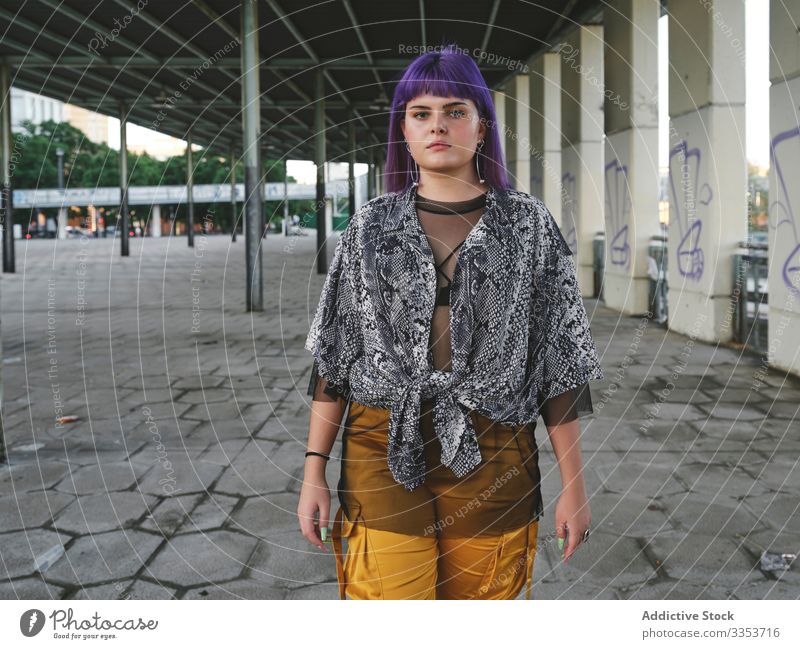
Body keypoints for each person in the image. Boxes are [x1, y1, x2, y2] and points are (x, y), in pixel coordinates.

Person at [297, 44, 603, 600]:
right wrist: (314, 468)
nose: (438, 125)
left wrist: (575, 486)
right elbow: (334, 361)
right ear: (404, 132)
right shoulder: (369, 226)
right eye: (421, 114)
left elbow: (560, 364)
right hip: (380, 445)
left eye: (455, 111)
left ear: (481, 128)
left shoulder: (528, 225)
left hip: (497, 449)